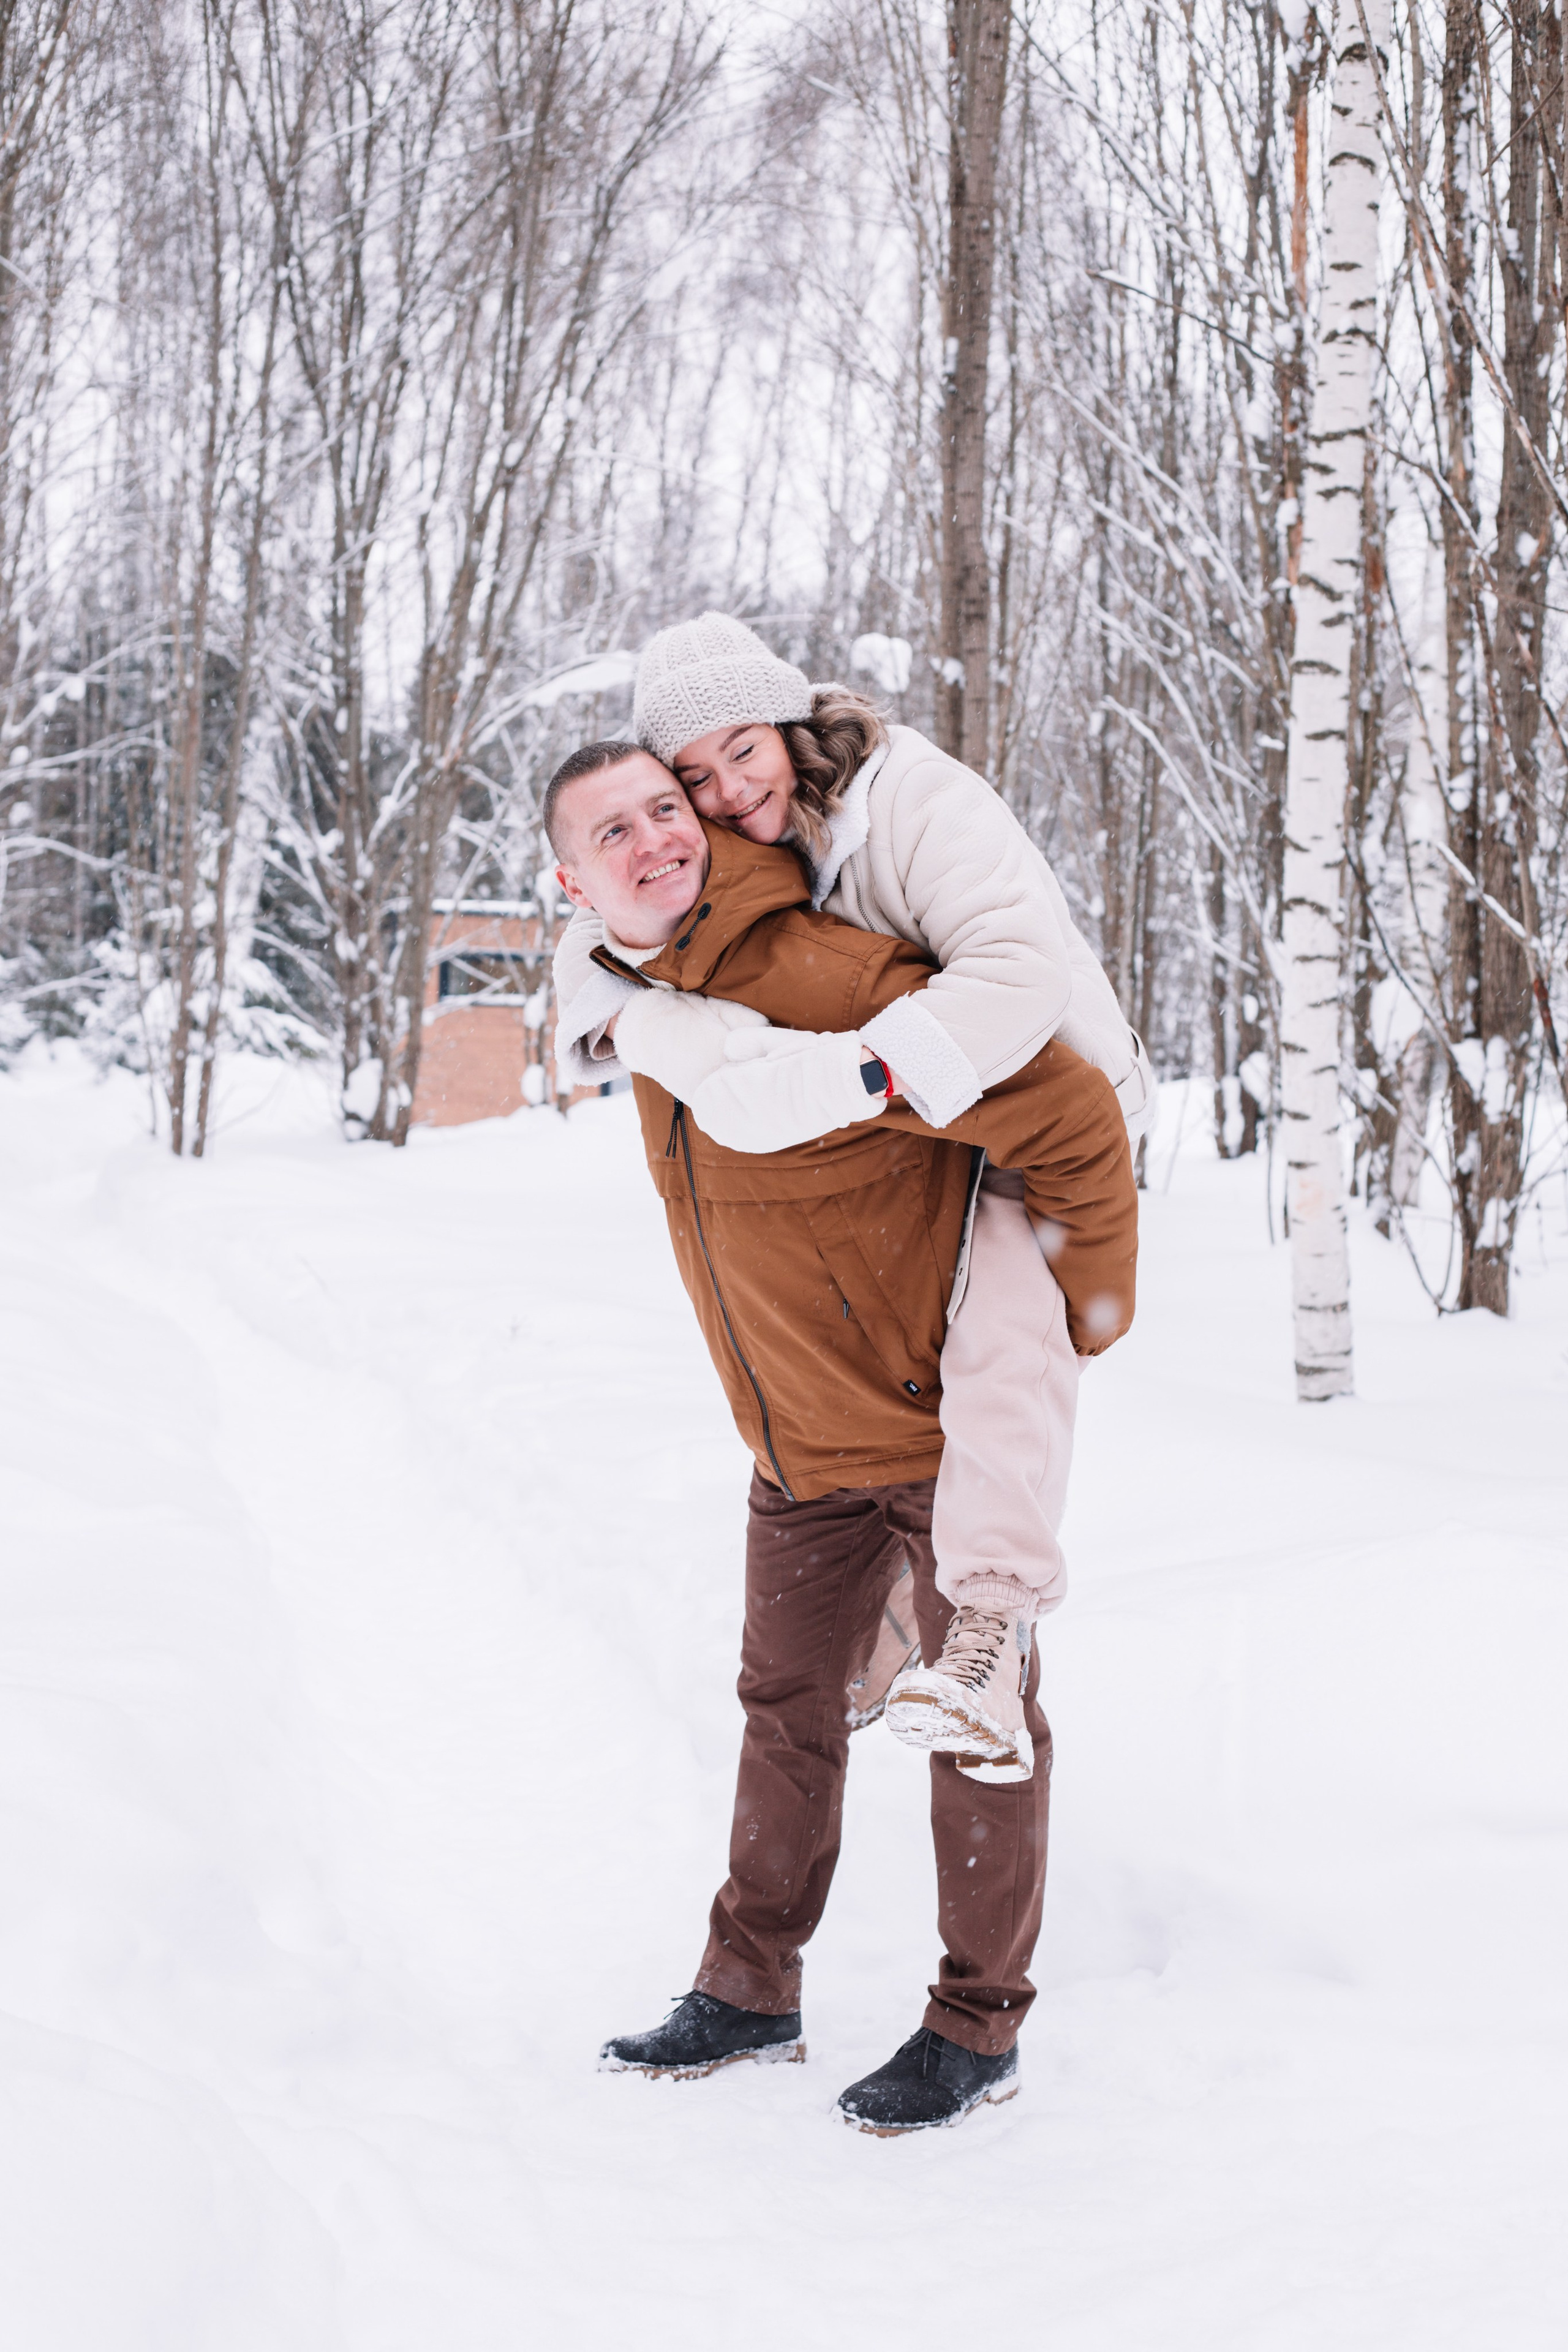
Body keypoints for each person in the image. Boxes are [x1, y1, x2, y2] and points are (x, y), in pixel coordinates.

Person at [545, 739, 1139, 2132]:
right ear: (569, 881)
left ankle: (976, 2023)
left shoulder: (817, 969)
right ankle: (749, 1988)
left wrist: (1093, 1297)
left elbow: (1063, 1105)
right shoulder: (637, 990)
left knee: (978, 1728)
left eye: (661, 811)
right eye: (610, 832)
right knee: (784, 1714)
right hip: (796, 1445)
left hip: (933, 1432)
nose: (651, 842)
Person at [555, 611, 1153, 1764]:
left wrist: (855, 1074)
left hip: (1044, 1097)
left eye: (745, 749)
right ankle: (885, 1625)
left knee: (997, 1342)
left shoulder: (917, 801)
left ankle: (984, 1629)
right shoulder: (733, 835)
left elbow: (1019, 975)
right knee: (895, 1351)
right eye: (694, 776)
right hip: (937, 1117)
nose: (728, 792)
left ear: (789, 724)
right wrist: (635, 1025)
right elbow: (609, 918)